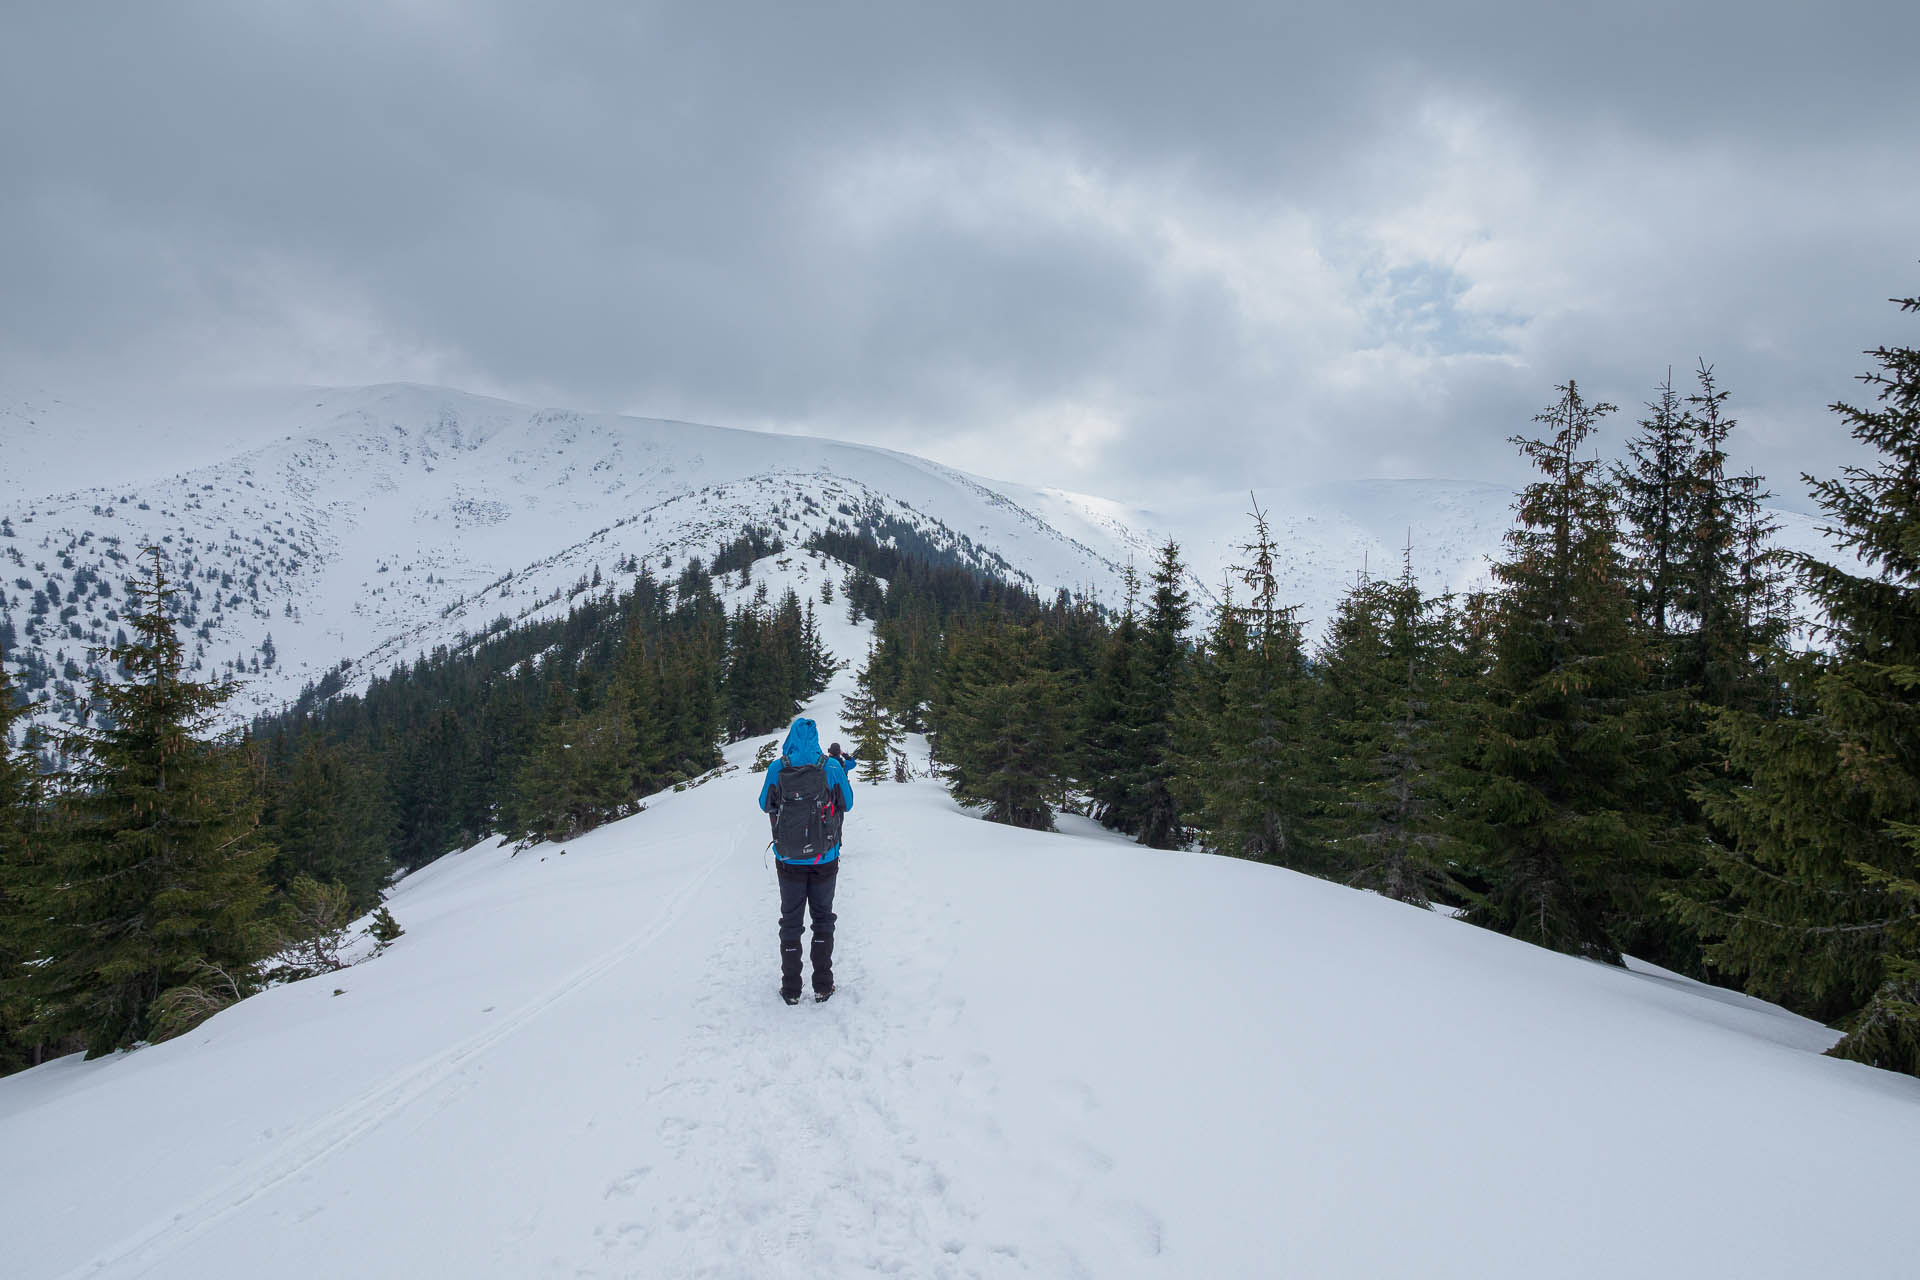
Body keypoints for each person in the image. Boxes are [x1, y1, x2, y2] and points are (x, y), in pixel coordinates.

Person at [758, 717, 853, 1004]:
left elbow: (764, 804)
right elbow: (847, 802)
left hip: (788, 858)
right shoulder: (831, 767)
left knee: (791, 920)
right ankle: (823, 985)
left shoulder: (778, 767)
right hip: (825, 856)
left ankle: (791, 989)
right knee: (823, 917)